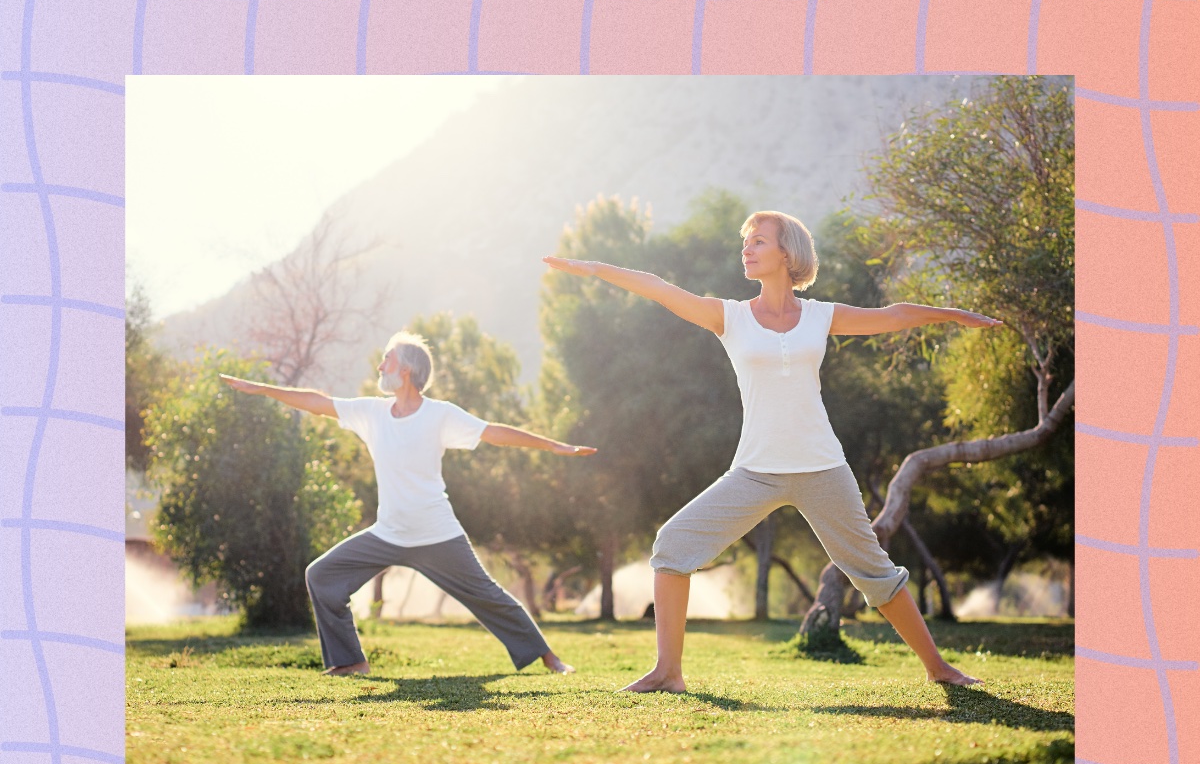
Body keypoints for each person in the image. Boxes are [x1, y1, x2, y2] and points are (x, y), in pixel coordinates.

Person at [544, 210, 1001, 693]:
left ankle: (939, 668)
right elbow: (658, 287)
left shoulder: (822, 316)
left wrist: (951, 315)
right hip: (755, 470)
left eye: (758, 241)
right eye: (746, 241)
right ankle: (668, 672)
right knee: (673, 547)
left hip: (822, 467)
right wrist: (594, 269)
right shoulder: (731, 317)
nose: (747, 249)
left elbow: (894, 316)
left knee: (874, 573)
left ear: (787, 253)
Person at [220, 331, 595, 676]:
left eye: (388, 359)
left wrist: (554, 446)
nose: (381, 365)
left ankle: (550, 658)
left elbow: (494, 433)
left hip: (436, 534)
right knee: (321, 576)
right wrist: (262, 390)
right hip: (388, 533)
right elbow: (318, 403)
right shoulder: (372, 412)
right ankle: (350, 661)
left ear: (408, 369)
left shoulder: (440, 414)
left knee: (487, 595)